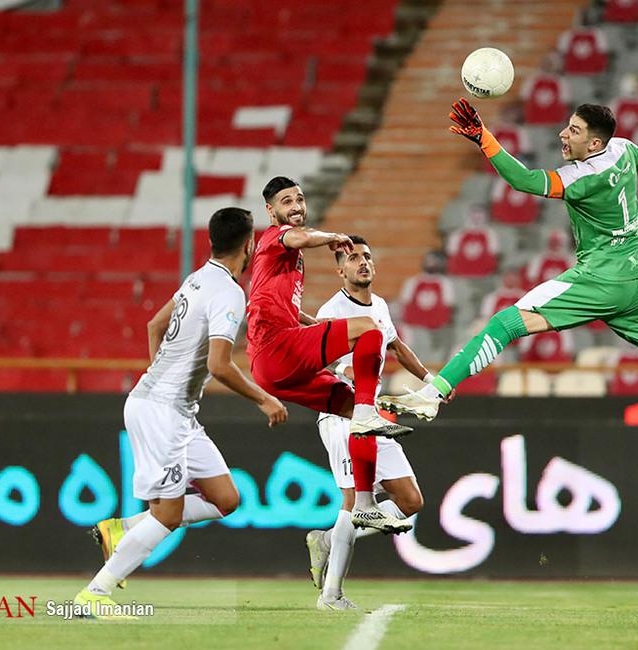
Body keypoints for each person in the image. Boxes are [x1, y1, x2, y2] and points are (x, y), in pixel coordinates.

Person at [380, 100, 638, 436]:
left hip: (603, 276)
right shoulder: (623, 149)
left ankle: (432, 395)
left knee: (504, 324)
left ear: (594, 142)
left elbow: (525, 181)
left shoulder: (582, 177)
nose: (563, 135)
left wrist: (484, 138)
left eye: (574, 131)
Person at [77, 207, 288, 618]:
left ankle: (123, 529)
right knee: (168, 515)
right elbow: (219, 365)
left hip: (172, 410)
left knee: (226, 499)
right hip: (162, 411)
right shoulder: (228, 292)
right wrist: (263, 398)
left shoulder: (197, 278)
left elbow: (154, 326)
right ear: (248, 246)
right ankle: (95, 592)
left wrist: (161, 378)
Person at [248, 176, 412, 532]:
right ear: (271, 211)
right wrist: (332, 237)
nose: (296, 206)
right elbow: (301, 237)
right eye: (287, 202)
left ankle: (365, 505)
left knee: (356, 410)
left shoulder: (286, 264)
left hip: (276, 364)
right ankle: (367, 416)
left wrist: (315, 324)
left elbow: (288, 310)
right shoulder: (275, 238)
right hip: (275, 349)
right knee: (369, 328)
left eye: (300, 199)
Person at [306, 235, 440, 611]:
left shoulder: (379, 306)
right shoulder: (332, 311)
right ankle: (331, 595)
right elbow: (313, 360)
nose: (362, 262)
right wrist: (342, 369)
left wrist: (430, 381)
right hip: (341, 414)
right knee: (353, 501)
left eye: (366, 256)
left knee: (410, 500)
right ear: (340, 271)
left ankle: (329, 540)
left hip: (371, 416)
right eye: (352, 258)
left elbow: (395, 346)